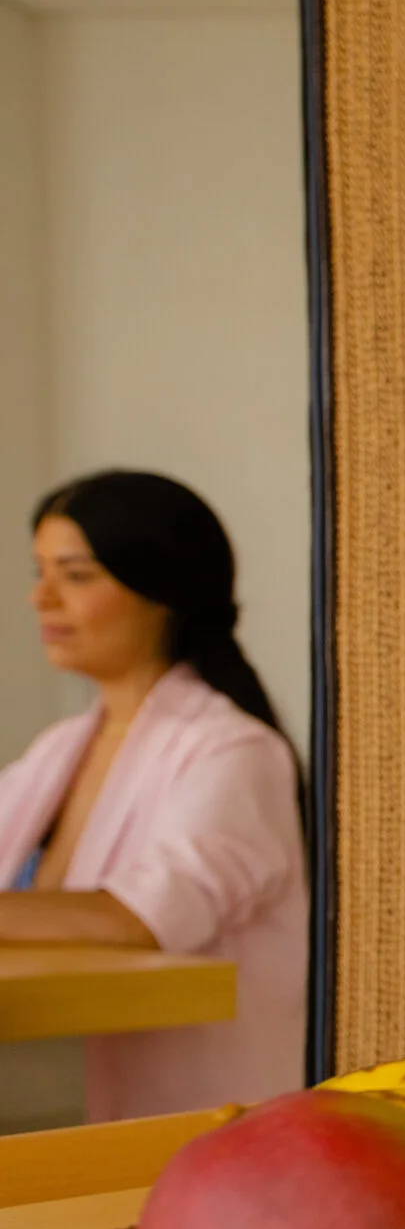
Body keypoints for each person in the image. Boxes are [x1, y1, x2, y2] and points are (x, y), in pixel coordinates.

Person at [0, 471, 306, 1120]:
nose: (41, 597)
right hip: (61, 1100)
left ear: (162, 591)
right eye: (41, 571)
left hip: (210, 1130)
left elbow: (143, 918)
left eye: (76, 575)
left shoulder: (234, 750)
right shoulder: (58, 750)